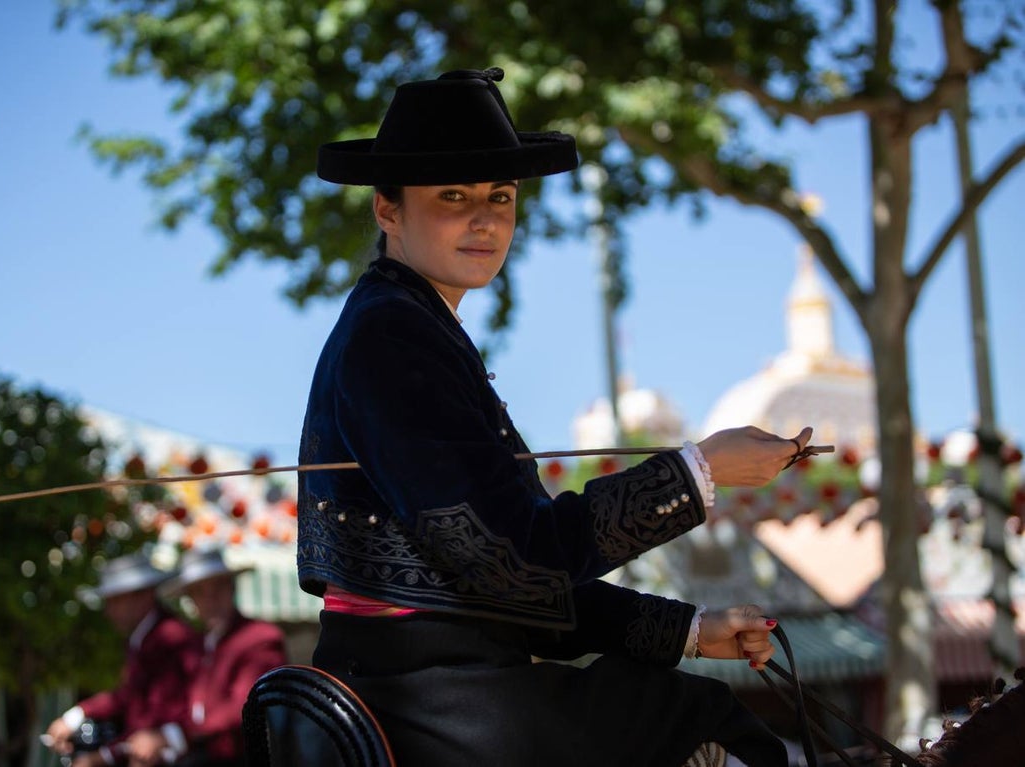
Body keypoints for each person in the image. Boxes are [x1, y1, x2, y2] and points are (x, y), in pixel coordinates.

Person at [297, 66, 814, 767]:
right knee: (701, 722)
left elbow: (515, 581)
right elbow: (517, 559)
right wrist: (698, 471)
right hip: (418, 693)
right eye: (453, 195)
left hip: (435, 683)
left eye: (501, 196)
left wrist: (689, 631)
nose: (485, 218)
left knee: (683, 702)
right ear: (387, 209)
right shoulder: (393, 336)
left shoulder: (408, 323)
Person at [45, 552, 195, 767]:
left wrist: (102, 757)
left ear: (143, 595)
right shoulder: (143, 639)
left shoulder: (169, 637)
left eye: (115, 600)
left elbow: (157, 721)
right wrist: (76, 716)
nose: (108, 611)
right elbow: (127, 696)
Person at [159, 548, 287, 767]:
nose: (210, 599)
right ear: (191, 600)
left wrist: (180, 735)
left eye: (218, 587)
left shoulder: (259, 638)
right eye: (200, 592)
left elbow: (245, 705)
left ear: (232, 588)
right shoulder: (200, 644)